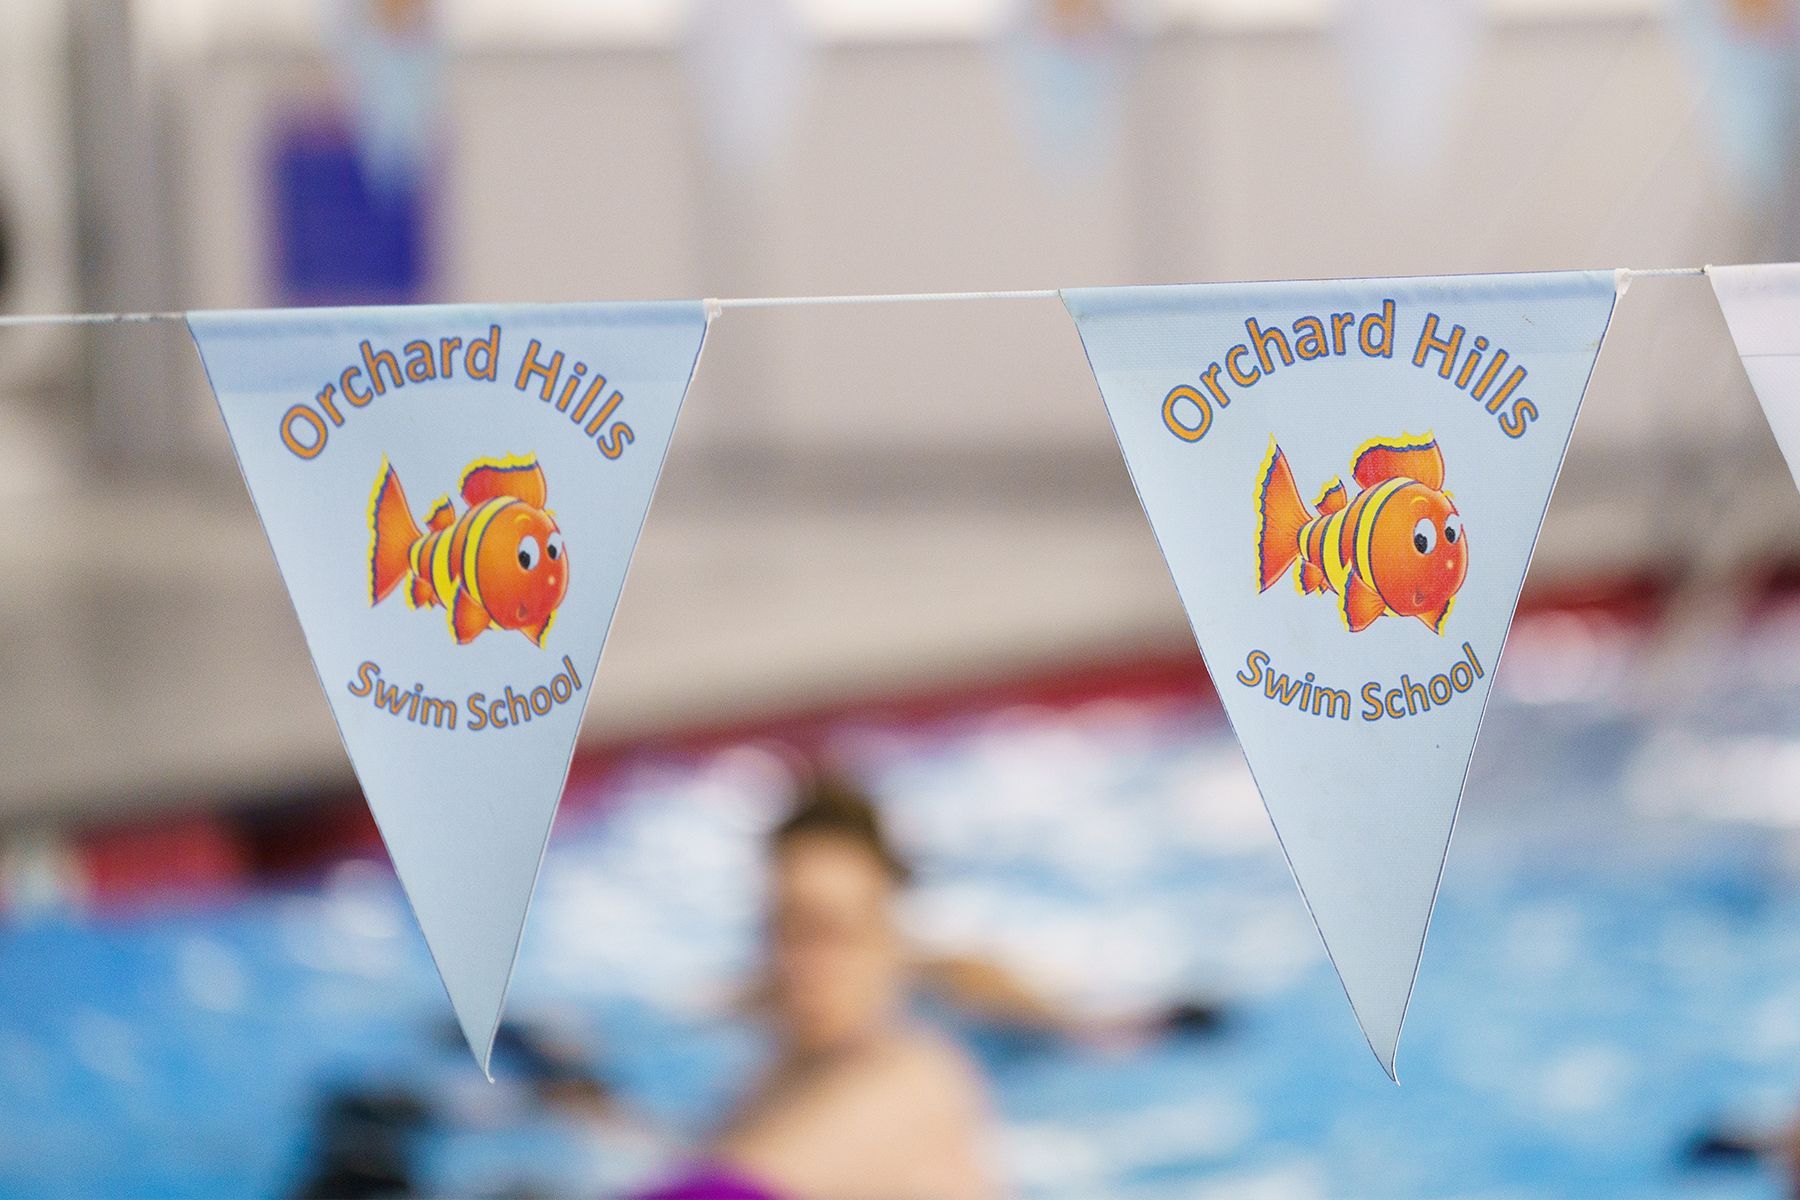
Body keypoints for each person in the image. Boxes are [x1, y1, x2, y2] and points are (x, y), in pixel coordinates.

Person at [636, 774, 1003, 1200]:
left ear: (889, 943)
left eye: (831, 933)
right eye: (784, 930)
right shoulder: (773, 1080)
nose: (802, 963)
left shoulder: (912, 1082)